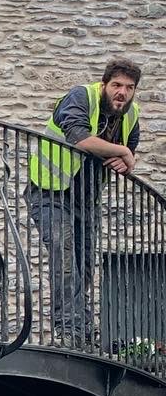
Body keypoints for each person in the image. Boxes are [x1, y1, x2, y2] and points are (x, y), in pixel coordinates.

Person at [26, 59, 143, 346]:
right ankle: (69, 333)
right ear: (104, 85)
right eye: (116, 85)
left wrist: (127, 159)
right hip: (50, 192)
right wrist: (123, 152)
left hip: (86, 200)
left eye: (129, 88)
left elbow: (128, 152)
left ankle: (83, 331)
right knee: (65, 259)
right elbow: (79, 138)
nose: (122, 93)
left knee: (85, 265)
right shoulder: (81, 96)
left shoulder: (131, 114)